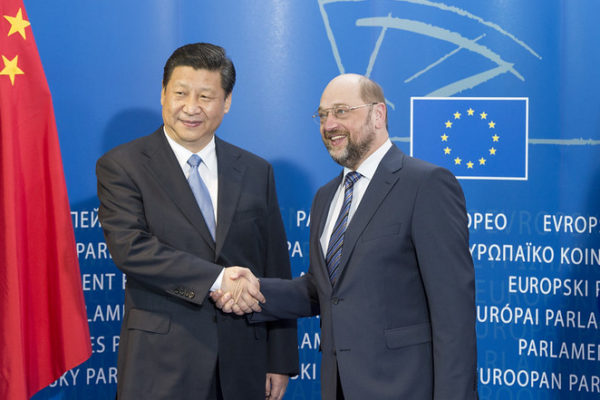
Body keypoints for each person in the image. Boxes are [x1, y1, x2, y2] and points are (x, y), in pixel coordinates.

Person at [214, 74, 478, 399]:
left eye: (341, 112)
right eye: (323, 115)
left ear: (378, 115)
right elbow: (323, 290)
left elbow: (453, 314)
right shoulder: (326, 197)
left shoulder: (426, 184)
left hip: (406, 388)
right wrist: (251, 290)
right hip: (338, 386)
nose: (329, 125)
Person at [96, 42, 298, 400]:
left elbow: (275, 268)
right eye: (180, 93)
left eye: (205, 96)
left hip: (243, 363)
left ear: (227, 101)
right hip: (161, 365)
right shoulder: (123, 165)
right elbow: (131, 249)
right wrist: (218, 279)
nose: (191, 108)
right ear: (163, 94)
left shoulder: (255, 171)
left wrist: (279, 359)